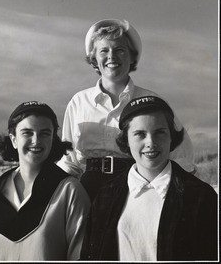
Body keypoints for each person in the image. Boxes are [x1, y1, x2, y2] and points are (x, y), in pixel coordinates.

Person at [57, 19, 194, 200]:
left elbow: (181, 155)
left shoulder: (153, 101)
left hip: (138, 188)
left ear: (132, 58)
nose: (112, 56)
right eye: (104, 51)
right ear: (94, 59)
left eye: (120, 50)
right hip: (89, 191)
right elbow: (69, 160)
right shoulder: (78, 102)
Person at [80, 96, 218, 261]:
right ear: (126, 140)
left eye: (159, 132)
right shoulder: (105, 195)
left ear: (171, 136)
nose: (150, 142)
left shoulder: (201, 196)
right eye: (140, 134)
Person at [0, 101, 91, 261]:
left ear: (53, 139)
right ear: (13, 139)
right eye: (27, 132)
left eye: (45, 133)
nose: (36, 140)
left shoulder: (70, 191)